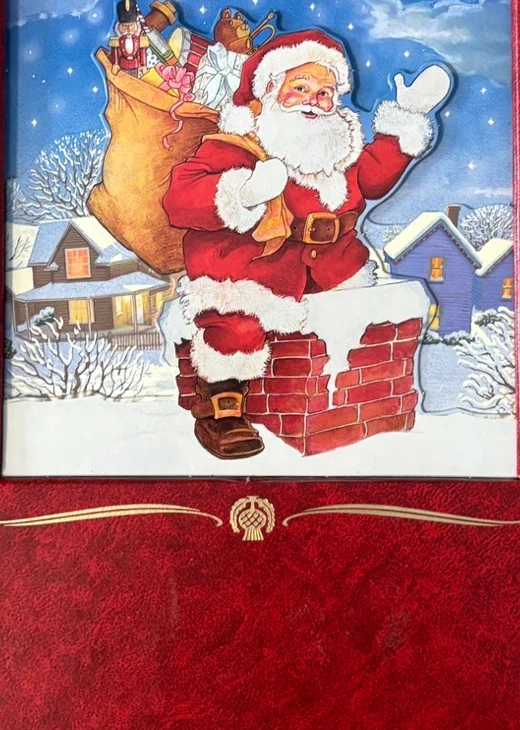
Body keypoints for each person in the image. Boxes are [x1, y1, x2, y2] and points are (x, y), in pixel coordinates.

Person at [162, 28, 451, 459]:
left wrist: (405, 123)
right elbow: (179, 198)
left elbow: (373, 177)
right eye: (300, 87)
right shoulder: (238, 147)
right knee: (237, 326)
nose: (314, 100)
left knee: (368, 314)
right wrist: (243, 193)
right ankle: (221, 409)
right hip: (249, 268)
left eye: (325, 92)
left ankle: (361, 399)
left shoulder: (337, 153)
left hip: (331, 264)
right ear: (269, 92)